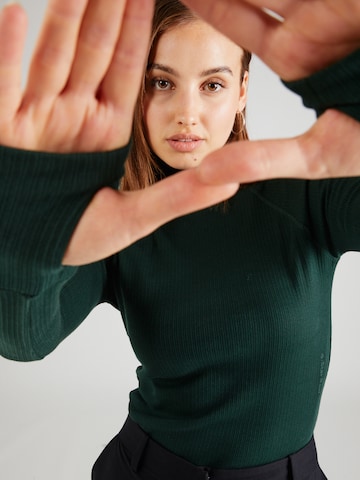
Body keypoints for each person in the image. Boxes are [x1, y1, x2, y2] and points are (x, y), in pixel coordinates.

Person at [0, 1, 360, 479]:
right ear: (136, 91)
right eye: (162, 82)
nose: (187, 113)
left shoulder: (309, 195)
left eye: (212, 84)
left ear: (242, 91)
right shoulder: (111, 224)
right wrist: (31, 240)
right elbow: (24, 341)